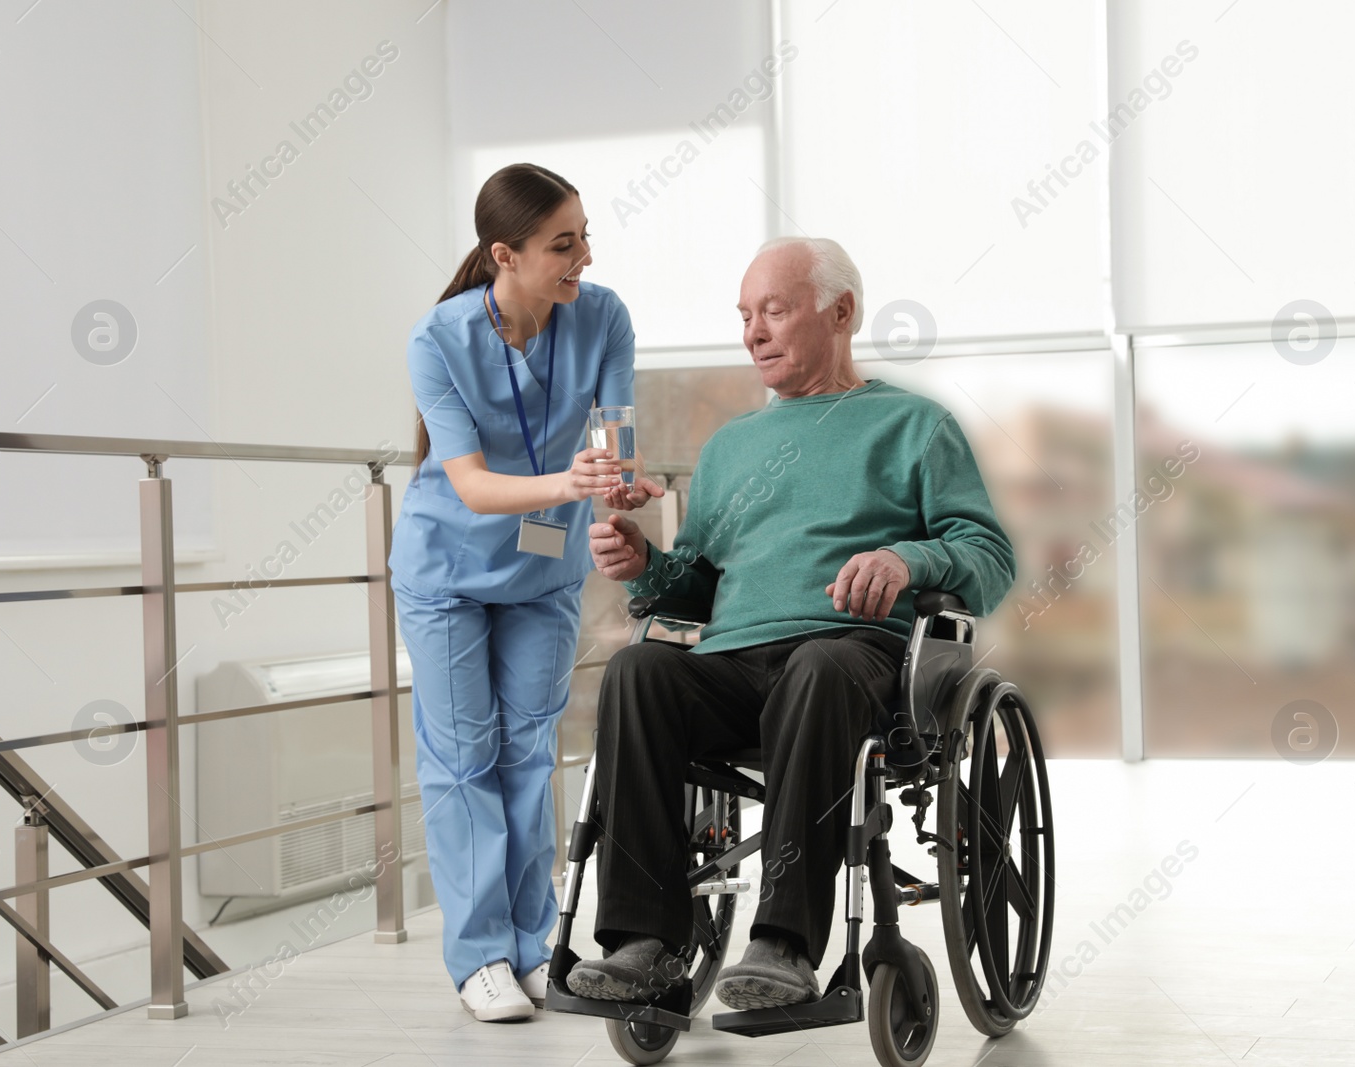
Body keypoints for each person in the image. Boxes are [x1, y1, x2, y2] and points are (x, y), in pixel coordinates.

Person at [566, 236, 1016, 1009]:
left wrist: (907, 560)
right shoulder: (732, 445)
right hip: (736, 665)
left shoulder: (914, 426)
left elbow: (989, 555)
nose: (754, 331)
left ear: (840, 312)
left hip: (856, 659)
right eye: (745, 315)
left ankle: (783, 943)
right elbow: (698, 585)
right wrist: (646, 562)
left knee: (820, 665)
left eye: (773, 309)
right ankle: (643, 939)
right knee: (640, 670)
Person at [389, 163, 663, 1022]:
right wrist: (572, 483)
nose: (583, 255)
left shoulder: (603, 315)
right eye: (563, 243)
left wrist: (622, 482)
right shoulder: (437, 340)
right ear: (504, 254)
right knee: (464, 754)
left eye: (584, 234)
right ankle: (479, 956)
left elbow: (611, 437)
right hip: (448, 571)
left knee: (528, 750)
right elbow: (468, 484)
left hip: (541, 567)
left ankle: (532, 942)